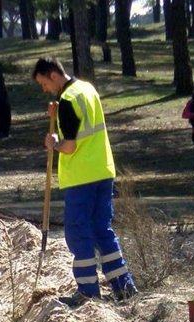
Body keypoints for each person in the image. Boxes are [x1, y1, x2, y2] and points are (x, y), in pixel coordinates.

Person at [33, 56, 138, 306]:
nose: (45, 89)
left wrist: (53, 143)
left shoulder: (68, 101)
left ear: (53, 75)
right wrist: (57, 116)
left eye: (44, 84)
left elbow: (69, 146)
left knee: (79, 233)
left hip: (81, 177)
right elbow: (82, 128)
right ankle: (124, 287)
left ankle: (88, 291)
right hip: (103, 170)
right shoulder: (86, 89)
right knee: (102, 230)